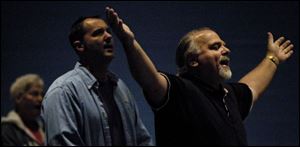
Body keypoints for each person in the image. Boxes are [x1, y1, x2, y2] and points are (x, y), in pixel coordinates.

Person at [106, 7, 294, 145]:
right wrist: (129, 43)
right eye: (215, 47)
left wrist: (272, 58)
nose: (226, 50)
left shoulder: (228, 95)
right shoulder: (181, 91)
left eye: (224, 45)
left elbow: (252, 88)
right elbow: (151, 81)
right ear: (193, 61)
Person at [40, 14, 153, 146]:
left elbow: (142, 140)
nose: (109, 36)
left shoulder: (120, 87)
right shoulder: (63, 92)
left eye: (108, 31)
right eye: (98, 33)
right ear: (80, 46)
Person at [1, 74, 45, 146]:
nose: (40, 99)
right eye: (34, 94)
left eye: (42, 95)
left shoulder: (44, 129)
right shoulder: (6, 131)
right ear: (18, 97)